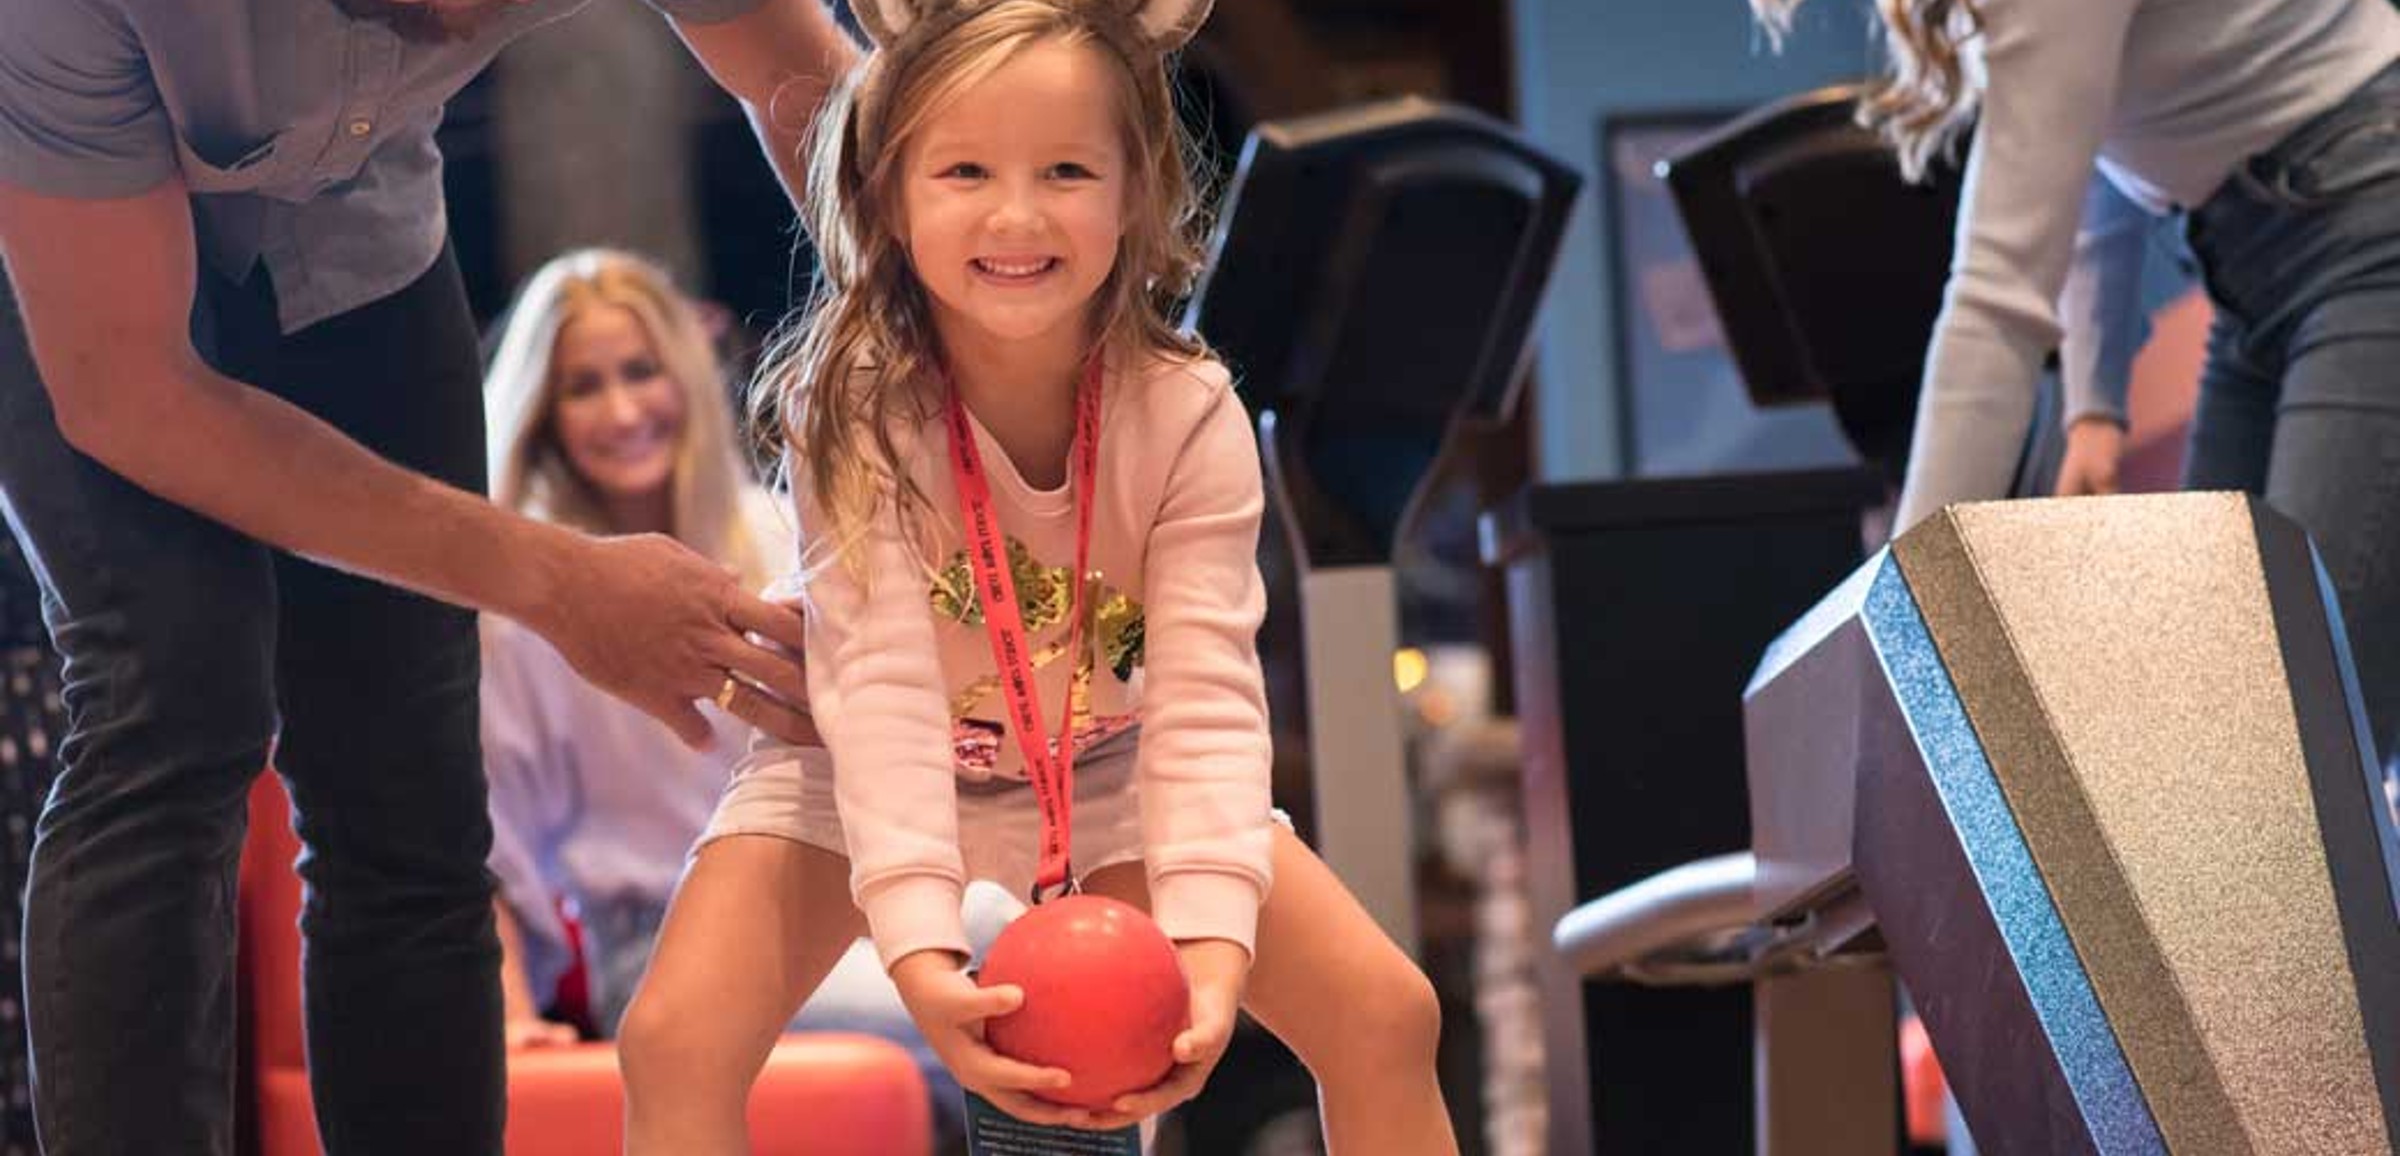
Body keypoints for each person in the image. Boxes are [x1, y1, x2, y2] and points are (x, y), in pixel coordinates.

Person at [0, 2, 855, 1152]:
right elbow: (128, 395)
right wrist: (557, 582)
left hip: (358, 231)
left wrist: (969, 375)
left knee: (412, 790)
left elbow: (803, 89)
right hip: (61, 254)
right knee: (176, 693)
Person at [613, 0, 1459, 1152]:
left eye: (1067, 169)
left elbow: (1209, 703)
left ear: (1135, 189)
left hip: (1111, 758)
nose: (1017, 214)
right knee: (672, 1037)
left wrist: (1212, 955)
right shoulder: (853, 403)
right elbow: (882, 691)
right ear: (889, 195)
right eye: (963, 169)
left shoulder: (1187, 409)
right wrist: (921, 957)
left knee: (1386, 1013)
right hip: (866, 758)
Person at [1753, 0, 2400, 777]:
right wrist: (2095, 410)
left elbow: (1995, 302)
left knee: (2297, 743)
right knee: (2224, 717)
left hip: (2370, 219)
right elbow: (2094, 158)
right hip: (2249, 258)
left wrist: (1899, 624)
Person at [478, 246, 997, 1151]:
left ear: (682, 372)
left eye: (640, 372)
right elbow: (483, 837)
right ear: (544, 415)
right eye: (584, 386)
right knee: (990, 1011)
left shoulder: (771, 532)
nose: (624, 409)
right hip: (659, 936)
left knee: (1046, 938)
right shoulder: (531, 609)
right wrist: (511, 1016)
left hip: (846, 883)